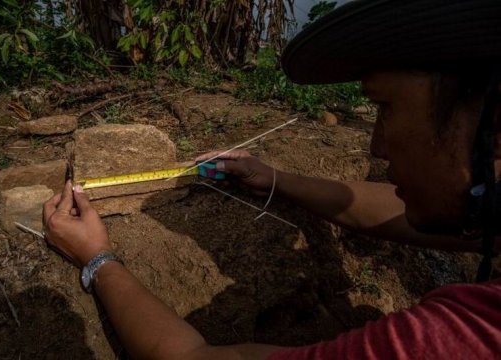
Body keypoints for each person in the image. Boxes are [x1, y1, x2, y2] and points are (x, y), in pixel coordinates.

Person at [42, 0, 501, 358]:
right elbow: (397, 211)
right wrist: (276, 179)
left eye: (385, 107)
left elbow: (196, 358)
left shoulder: (467, 336)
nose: (375, 147)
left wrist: (97, 259)